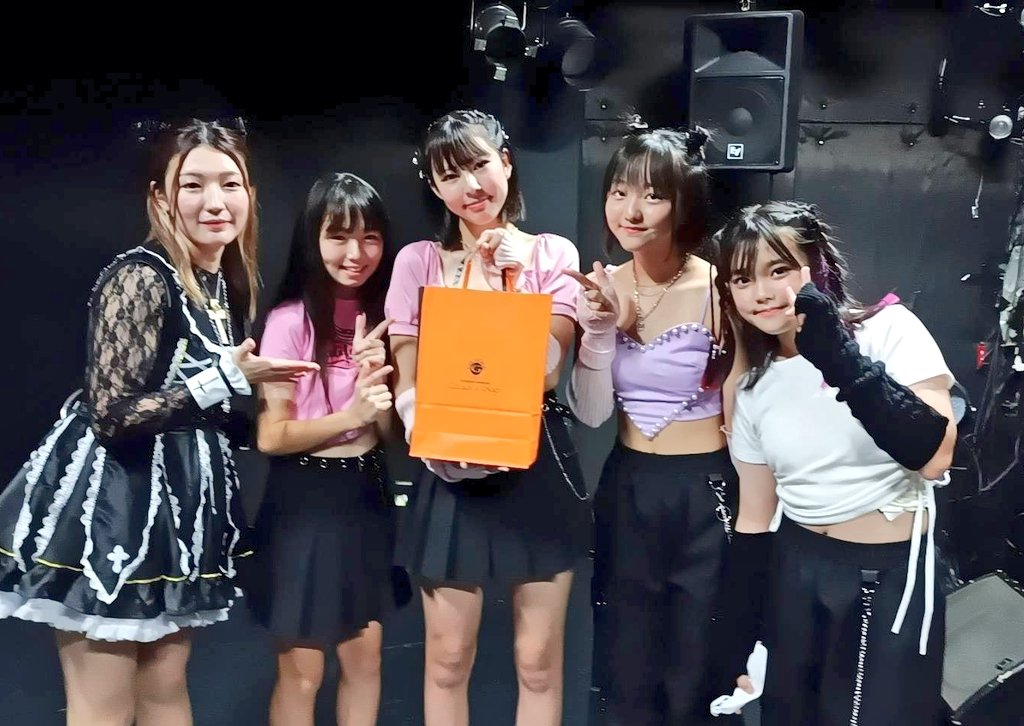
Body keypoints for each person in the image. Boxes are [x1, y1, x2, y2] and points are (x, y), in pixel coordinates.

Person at [0, 118, 319, 725]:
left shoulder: (221, 283)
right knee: (104, 705)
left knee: (165, 688)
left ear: (250, 194)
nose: (214, 201)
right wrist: (222, 381)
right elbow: (111, 414)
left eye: (229, 183)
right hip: (112, 509)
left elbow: (201, 414)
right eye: (192, 185)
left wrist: (309, 417)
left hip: (177, 513)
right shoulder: (140, 276)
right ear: (160, 197)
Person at [710, 201, 956, 725]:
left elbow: (934, 456)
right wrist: (736, 633)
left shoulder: (889, 329)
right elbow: (753, 517)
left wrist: (838, 357)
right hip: (797, 569)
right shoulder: (754, 386)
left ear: (816, 266)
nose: (762, 292)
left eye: (779, 270)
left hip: (885, 574)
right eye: (742, 279)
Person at [384, 109, 591, 726]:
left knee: (537, 662)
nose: (471, 187)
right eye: (451, 175)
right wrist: (429, 436)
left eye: (479, 165)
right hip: (447, 468)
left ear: (506, 161)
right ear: (434, 186)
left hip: (535, 460)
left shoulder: (551, 253)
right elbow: (407, 374)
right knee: (448, 660)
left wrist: (509, 281)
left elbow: (546, 369)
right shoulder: (418, 261)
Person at [563, 121, 745, 725]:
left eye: (652, 195)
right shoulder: (602, 287)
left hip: (707, 487)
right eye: (619, 192)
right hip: (630, 483)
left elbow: (744, 408)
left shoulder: (720, 287)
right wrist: (598, 331)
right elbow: (592, 413)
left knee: (697, 657)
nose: (631, 211)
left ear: (682, 204)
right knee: (626, 655)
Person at [247, 172, 406, 726]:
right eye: (338, 236)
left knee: (365, 663)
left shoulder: (387, 317)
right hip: (303, 504)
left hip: (366, 496)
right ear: (312, 239)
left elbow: (390, 435)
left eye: (369, 237)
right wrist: (350, 416)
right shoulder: (289, 320)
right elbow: (271, 436)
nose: (355, 254)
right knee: (303, 674)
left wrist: (375, 391)